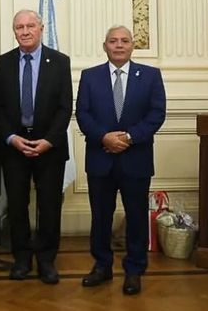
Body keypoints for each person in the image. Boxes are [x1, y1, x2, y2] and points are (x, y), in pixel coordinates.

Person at [76, 25, 166, 295]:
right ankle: (102, 266)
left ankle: (134, 271)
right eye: (113, 41)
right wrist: (104, 137)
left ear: (132, 46)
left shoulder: (150, 76)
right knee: (100, 217)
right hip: (100, 159)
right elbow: (83, 113)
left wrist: (128, 137)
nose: (118, 45)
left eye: (124, 41)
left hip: (135, 159)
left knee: (136, 217)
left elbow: (156, 113)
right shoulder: (90, 76)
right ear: (104, 46)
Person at [0, 9, 72, 285]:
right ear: (14, 31)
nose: (24, 31)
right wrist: (11, 138)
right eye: (19, 27)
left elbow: (65, 107)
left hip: (50, 146)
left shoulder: (59, 62)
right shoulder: (3, 63)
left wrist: (48, 140)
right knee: (17, 205)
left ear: (41, 28)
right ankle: (22, 259)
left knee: (49, 206)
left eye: (30, 26)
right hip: (14, 145)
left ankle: (46, 260)